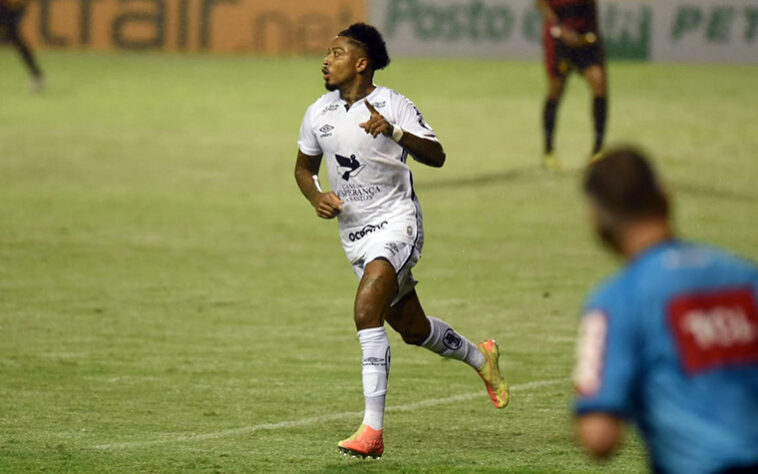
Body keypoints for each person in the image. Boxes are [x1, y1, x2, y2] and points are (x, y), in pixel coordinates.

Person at [294, 23, 509, 459]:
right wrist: (316, 195)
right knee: (414, 330)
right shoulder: (318, 112)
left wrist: (392, 131)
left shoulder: (393, 104)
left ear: (360, 62)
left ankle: (372, 432)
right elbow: (303, 167)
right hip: (354, 234)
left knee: (364, 310)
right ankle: (481, 358)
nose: (326, 59)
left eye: (335, 52)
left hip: (397, 223)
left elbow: (437, 155)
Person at [573, 147, 758, 473]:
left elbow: (599, 436)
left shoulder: (618, 299)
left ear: (597, 220)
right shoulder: (745, 277)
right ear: (664, 197)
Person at [536, 0, 607, 169]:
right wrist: (560, 28)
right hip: (560, 40)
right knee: (556, 90)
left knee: (599, 83)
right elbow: (541, 3)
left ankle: (597, 150)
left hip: (585, 39)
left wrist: (594, 34)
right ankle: (549, 150)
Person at [0, 0, 45, 92]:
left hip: (12, 8)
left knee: (14, 37)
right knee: (15, 38)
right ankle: (37, 75)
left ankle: (37, 75)